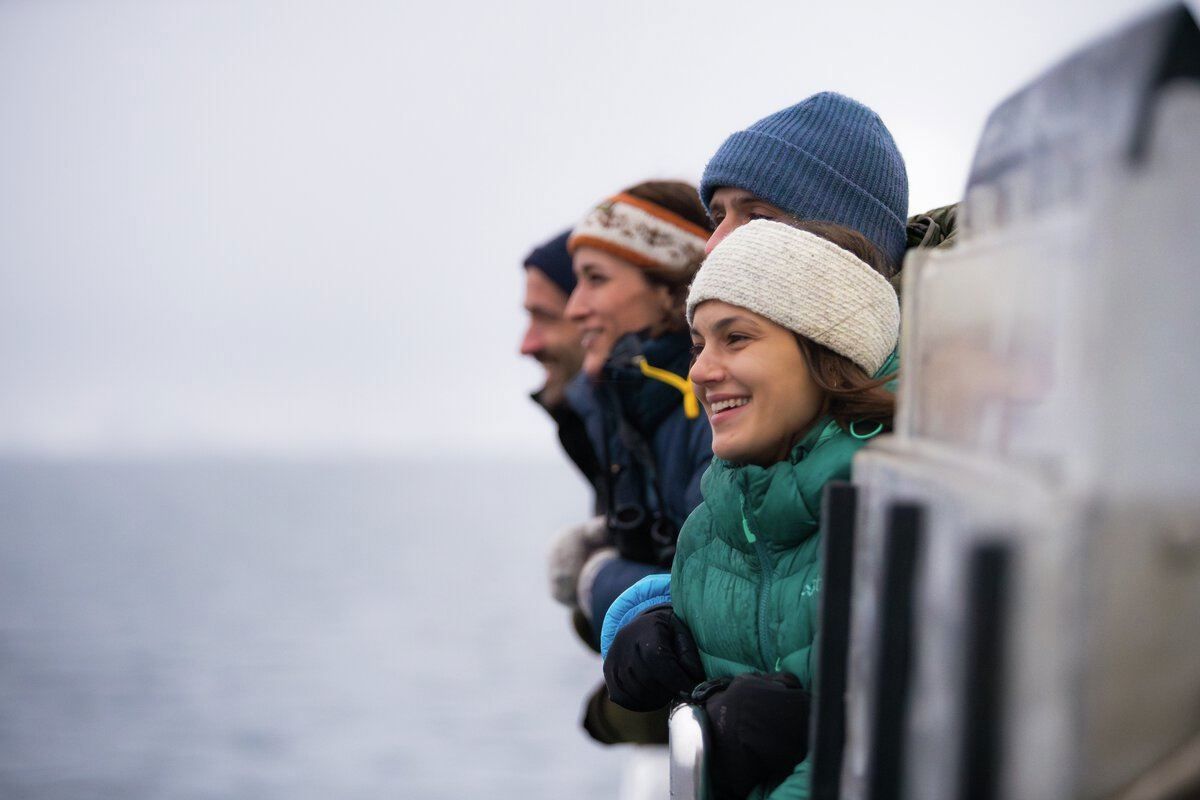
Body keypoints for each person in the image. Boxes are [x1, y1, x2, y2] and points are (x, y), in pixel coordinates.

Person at [601, 218, 901, 799]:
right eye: (699, 344)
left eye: (735, 338)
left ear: (830, 348)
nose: (700, 371)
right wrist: (641, 627)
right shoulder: (712, 525)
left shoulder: (899, 514)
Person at [561, 180, 715, 645]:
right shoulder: (628, 402)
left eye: (596, 278)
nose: (575, 308)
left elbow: (706, 601)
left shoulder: (708, 404)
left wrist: (600, 580)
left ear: (670, 290)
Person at [699, 91, 956, 278]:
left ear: (848, 243)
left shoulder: (954, 348)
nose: (712, 245)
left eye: (757, 218)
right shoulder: (716, 347)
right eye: (718, 218)